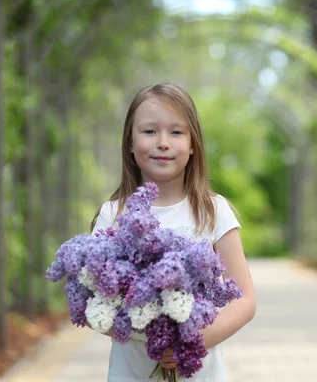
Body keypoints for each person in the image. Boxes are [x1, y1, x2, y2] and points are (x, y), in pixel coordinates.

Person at [90, 82, 256, 381]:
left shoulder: (213, 211)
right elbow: (91, 301)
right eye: (150, 131)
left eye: (176, 132)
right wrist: (148, 333)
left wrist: (192, 339)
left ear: (193, 145)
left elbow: (244, 300)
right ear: (129, 142)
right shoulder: (113, 214)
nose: (163, 142)